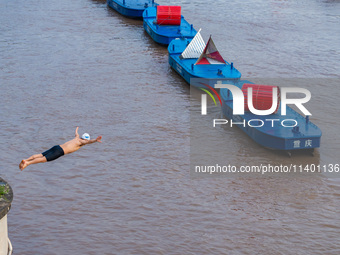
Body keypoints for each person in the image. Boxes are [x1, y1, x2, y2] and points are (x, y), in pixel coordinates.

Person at [19, 127, 102, 171]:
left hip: (57, 147)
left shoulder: (77, 138)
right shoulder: (82, 142)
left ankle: (26, 159)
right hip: (60, 151)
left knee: (41, 154)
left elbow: (76, 133)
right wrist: (95, 140)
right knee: (42, 159)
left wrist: (76, 129)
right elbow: (88, 142)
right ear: (86, 139)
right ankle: (27, 163)